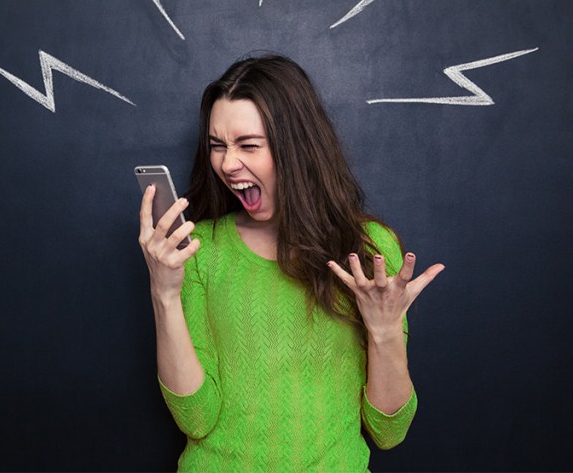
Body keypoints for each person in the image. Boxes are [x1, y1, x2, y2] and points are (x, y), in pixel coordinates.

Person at [136, 54, 444, 472]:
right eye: (217, 146)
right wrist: (164, 292)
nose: (227, 164)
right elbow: (196, 417)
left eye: (248, 145)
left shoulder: (368, 249)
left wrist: (385, 329)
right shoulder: (200, 250)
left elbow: (389, 432)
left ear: (294, 147)